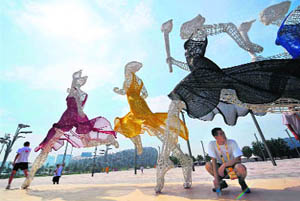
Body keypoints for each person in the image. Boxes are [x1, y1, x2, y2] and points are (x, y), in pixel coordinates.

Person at [205, 128, 251, 194]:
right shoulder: (212, 144)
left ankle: (242, 182)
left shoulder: (232, 142)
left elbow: (238, 158)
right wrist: (216, 180)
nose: (224, 135)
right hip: (221, 170)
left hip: (233, 167)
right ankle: (221, 183)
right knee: (208, 165)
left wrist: (224, 165)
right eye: (221, 134)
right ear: (215, 137)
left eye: (223, 133)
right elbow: (214, 161)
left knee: (240, 167)